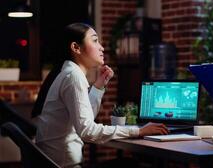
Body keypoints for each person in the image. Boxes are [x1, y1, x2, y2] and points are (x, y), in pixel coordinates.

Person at [32, 23, 169, 167]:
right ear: (76, 48)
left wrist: (98, 87)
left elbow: (85, 119)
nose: (101, 47)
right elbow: (87, 131)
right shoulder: (73, 76)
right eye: (95, 40)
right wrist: (138, 131)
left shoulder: (68, 72)